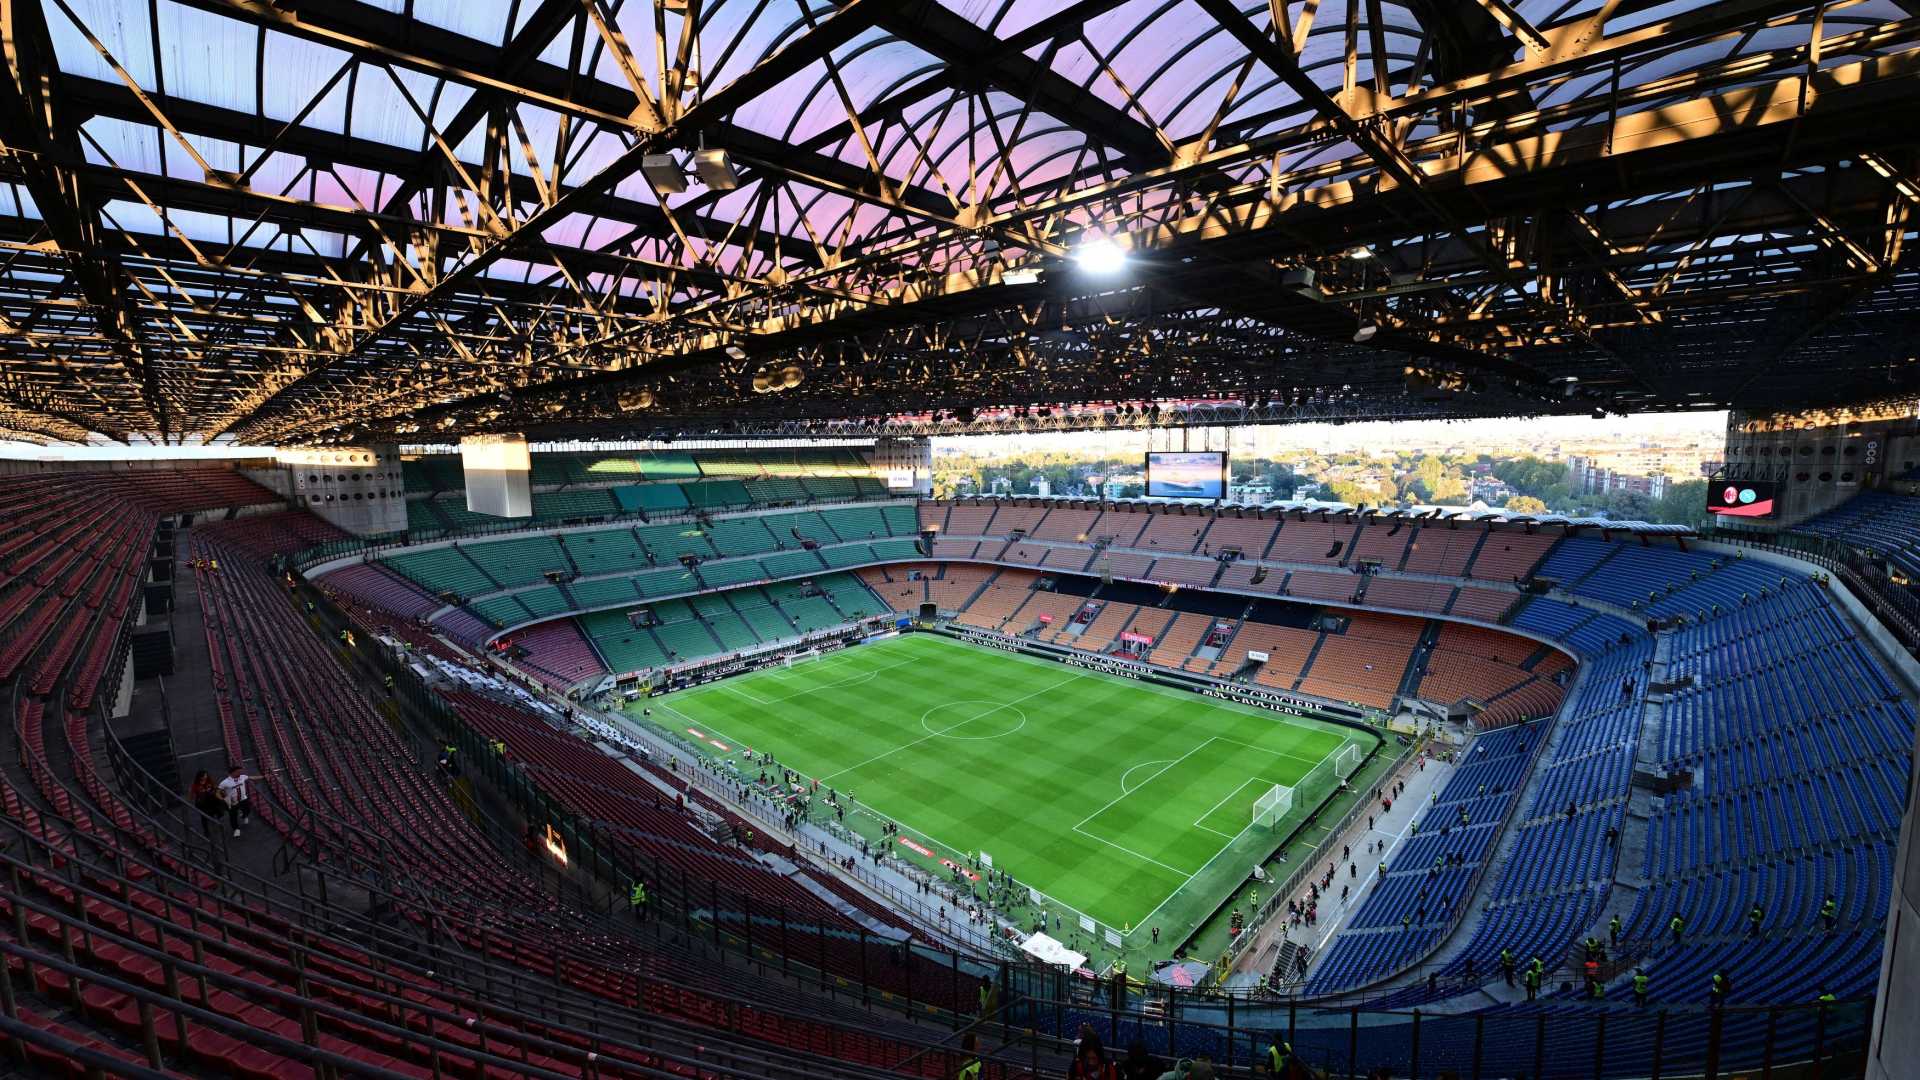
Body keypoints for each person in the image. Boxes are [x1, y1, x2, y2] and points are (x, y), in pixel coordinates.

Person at [217, 765, 251, 837]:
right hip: (233, 802)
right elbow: (217, 792)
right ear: (233, 772)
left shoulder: (242, 777)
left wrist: (263, 776)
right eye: (238, 772)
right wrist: (223, 799)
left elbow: (251, 777)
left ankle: (244, 816)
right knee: (233, 816)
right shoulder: (225, 782)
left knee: (248, 809)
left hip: (243, 798)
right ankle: (236, 829)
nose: (240, 773)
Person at [189, 770, 222, 836]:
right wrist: (199, 794)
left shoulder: (209, 781)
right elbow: (191, 795)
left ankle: (215, 825)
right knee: (204, 817)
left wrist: (212, 790)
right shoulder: (196, 785)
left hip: (210, 801)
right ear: (200, 777)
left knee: (213, 813)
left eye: (206, 775)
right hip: (202, 803)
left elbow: (215, 787)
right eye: (204, 775)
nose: (205, 777)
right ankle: (206, 831)